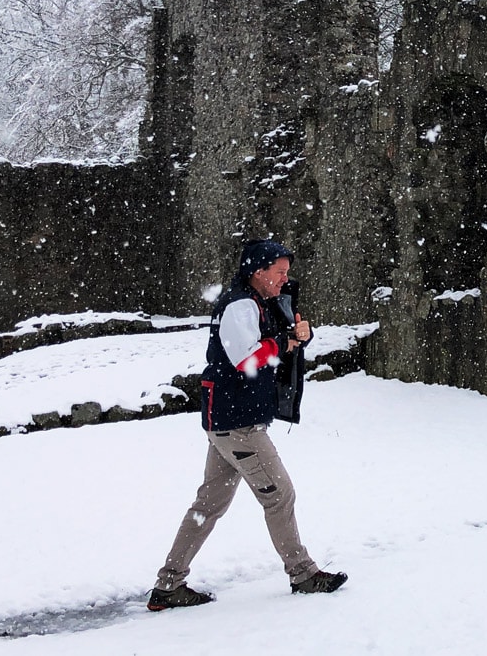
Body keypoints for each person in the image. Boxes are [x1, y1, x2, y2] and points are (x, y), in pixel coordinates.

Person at [148, 239, 347, 609]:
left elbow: (277, 340)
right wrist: (286, 342)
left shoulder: (260, 301)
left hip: (227, 418)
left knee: (209, 503)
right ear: (258, 271)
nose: (285, 279)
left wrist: (298, 336)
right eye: (279, 272)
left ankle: (168, 586)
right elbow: (248, 360)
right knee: (280, 494)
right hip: (238, 423)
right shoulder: (240, 304)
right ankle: (303, 573)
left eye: (287, 272)